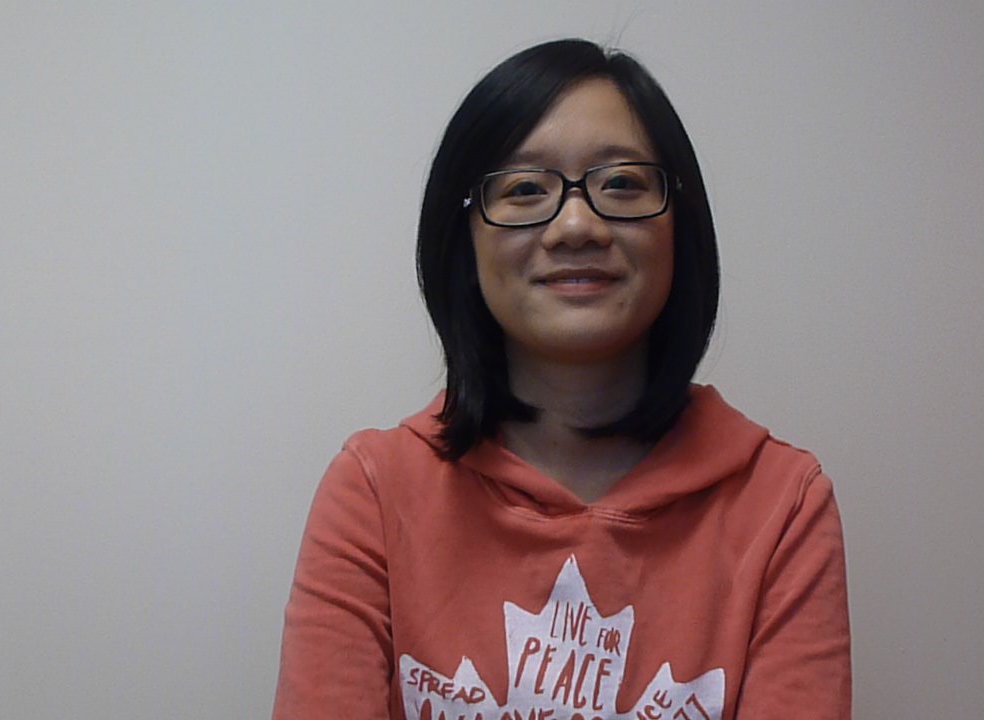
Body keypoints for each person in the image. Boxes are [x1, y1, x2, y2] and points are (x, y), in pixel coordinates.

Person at [273, 39, 851, 720]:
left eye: (622, 184)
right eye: (525, 189)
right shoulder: (374, 490)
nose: (577, 225)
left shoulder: (783, 505)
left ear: (680, 225)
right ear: (464, 240)